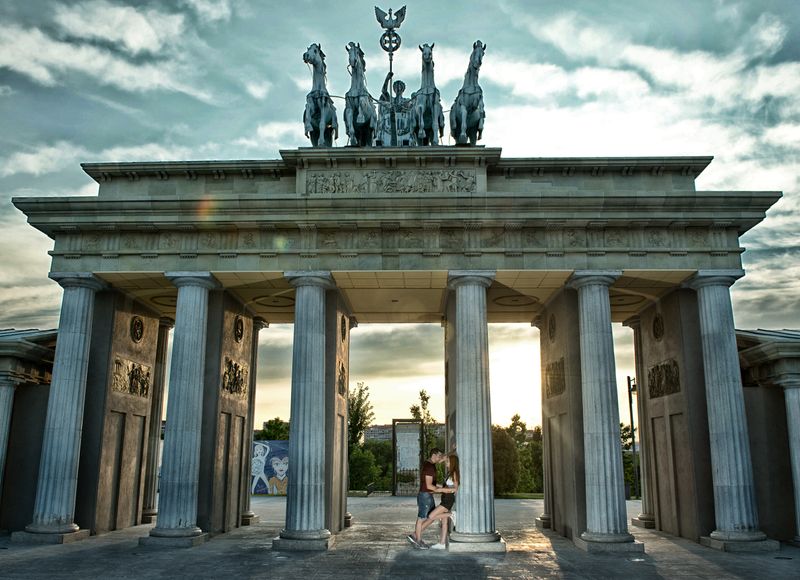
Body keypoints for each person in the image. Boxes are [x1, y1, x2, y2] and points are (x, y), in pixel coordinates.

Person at [407, 448, 452, 549]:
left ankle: (415, 535)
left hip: (428, 495)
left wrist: (453, 450)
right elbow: (429, 486)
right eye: (439, 456)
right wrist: (444, 490)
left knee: (430, 517)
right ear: (434, 455)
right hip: (425, 495)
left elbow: (444, 456)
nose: (441, 458)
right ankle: (418, 541)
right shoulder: (429, 467)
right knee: (421, 518)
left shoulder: (430, 464)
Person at [420, 453, 459, 549]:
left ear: (453, 462)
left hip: (448, 500)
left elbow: (455, 488)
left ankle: (452, 515)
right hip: (445, 498)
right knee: (444, 522)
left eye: (448, 462)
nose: (446, 463)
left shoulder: (454, 473)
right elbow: (446, 487)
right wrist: (435, 488)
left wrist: (441, 490)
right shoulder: (449, 473)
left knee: (431, 515)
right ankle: (442, 543)